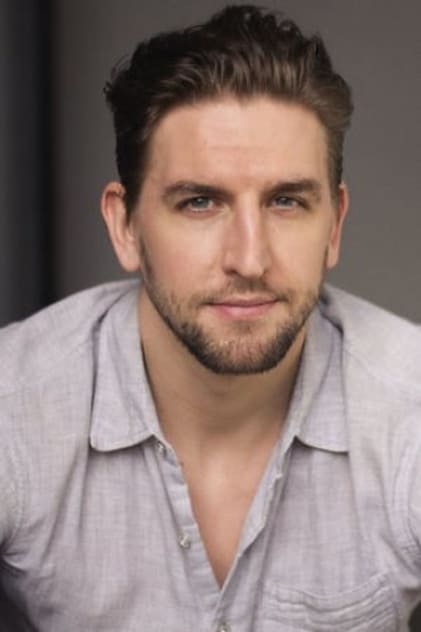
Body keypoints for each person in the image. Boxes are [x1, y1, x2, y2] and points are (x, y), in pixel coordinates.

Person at [0, 4, 420, 631]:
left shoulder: (408, 408)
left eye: (286, 201)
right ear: (125, 226)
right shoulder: (16, 408)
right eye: (200, 202)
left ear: (334, 224)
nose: (249, 259)